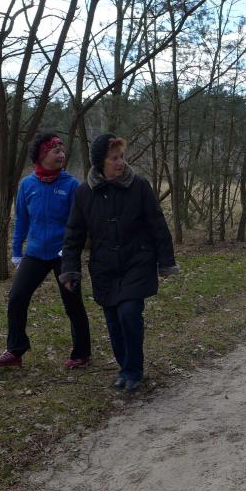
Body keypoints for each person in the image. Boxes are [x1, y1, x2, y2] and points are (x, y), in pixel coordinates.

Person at [60, 134, 178, 392]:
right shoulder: (84, 193)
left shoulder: (139, 186)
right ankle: (125, 367)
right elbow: (74, 234)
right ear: (100, 162)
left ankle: (134, 370)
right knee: (113, 320)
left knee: (129, 313)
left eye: (122, 157)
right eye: (114, 158)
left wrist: (166, 261)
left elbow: (157, 223)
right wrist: (70, 269)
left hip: (137, 261)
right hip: (104, 267)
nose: (120, 162)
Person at [0, 133, 91, 369]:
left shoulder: (71, 185)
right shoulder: (27, 185)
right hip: (35, 253)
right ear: (43, 155)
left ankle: (81, 353)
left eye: (62, 151)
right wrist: (16, 251)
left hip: (63, 254)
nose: (62, 155)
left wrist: (70, 251)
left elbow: (80, 224)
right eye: (56, 151)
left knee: (72, 303)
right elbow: (22, 220)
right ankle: (15, 351)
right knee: (16, 298)